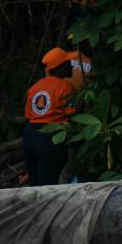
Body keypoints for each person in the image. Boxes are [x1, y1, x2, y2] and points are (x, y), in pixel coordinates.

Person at [23, 47, 78, 186]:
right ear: (59, 67)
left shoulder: (35, 87)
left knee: (35, 184)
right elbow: (72, 115)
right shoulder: (65, 87)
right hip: (50, 137)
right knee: (48, 185)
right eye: (68, 63)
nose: (71, 65)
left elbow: (28, 117)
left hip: (30, 136)